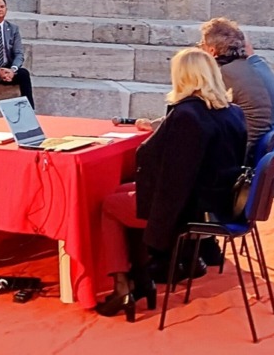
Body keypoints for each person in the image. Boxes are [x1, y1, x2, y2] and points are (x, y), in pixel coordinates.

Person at [94, 48, 246, 321]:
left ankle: (122, 286)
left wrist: (158, 235)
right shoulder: (232, 112)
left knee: (108, 204)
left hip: (191, 207)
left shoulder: (188, 115)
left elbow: (176, 181)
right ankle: (142, 277)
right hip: (217, 199)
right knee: (118, 192)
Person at [198, 17, 274, 161]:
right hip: (257, 145)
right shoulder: (244, 66)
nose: (199, 49)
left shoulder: (224, 73)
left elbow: (201, 111)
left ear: (212, 50)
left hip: (244, 153)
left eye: (201, 45)